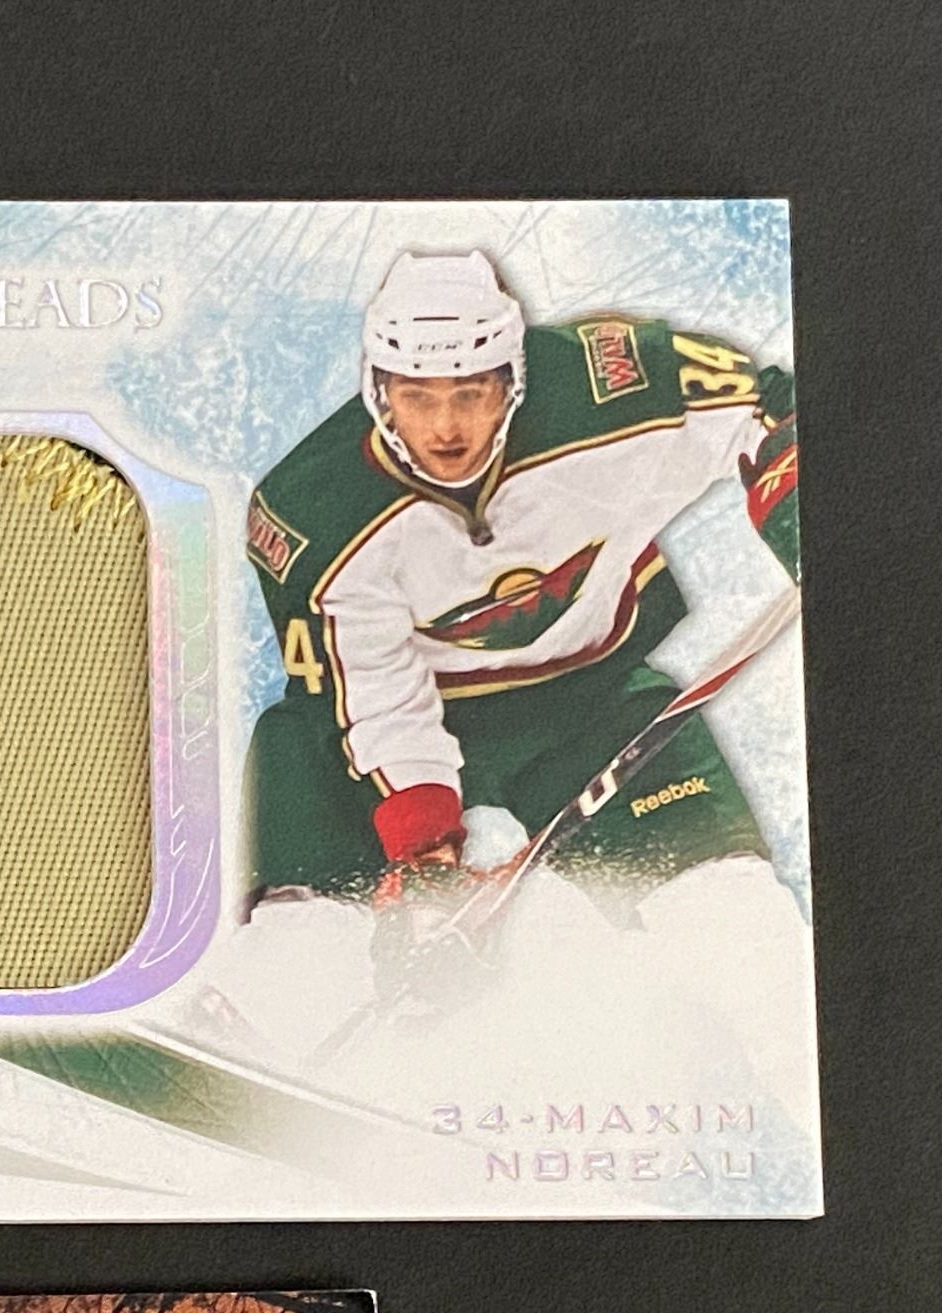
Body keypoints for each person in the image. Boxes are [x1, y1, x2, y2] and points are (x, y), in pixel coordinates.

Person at [242, 248, 800, 913]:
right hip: (395, 730)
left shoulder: (615, 391)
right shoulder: (316, 511)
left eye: (470, 393)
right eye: (417, 396)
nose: (445, 428)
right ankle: (309, 929)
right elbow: (374, 691)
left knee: (733, 909)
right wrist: (423, 846)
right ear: (379, 389)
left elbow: (764, 406)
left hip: (592, 698)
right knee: (303, 919)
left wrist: (802, 519)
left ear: (511, 379)